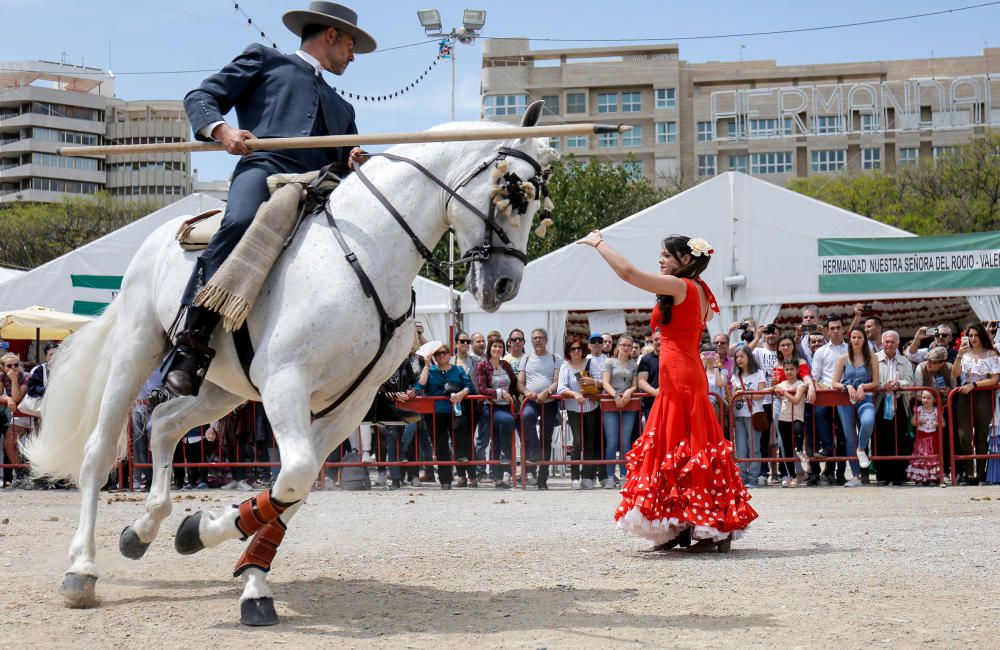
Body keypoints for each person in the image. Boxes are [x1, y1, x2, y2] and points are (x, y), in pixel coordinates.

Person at [161, 2, 377, 396]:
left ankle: (378, 374)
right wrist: (223, 131)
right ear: (330, 35)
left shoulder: (343, 106)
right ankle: (190, 346)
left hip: (319, 187)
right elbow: (201, 97)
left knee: (373, 238)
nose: (352, 56)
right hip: (265, 167)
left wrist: (354, 160)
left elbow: (345, 161)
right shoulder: (265, 60)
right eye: (350, 45)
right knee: (240, 221)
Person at [581, 231, 757, 552]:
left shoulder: (681, 286)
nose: (660, 260)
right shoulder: (699, 289)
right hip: (681, 375)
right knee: (681, 449)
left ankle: (707, 529)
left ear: (686, 260)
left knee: (686, 448)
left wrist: (599, 244)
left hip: (681, 378)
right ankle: (681, 526)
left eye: (665, 255)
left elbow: (629, 274)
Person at [416, 342, 473, 490]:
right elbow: (420, 386)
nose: (441, 356)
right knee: (440, 446)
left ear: (449, 354)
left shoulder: (459, 370)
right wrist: (426, 366)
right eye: (438, 354)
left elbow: (469, 386)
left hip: (456, 411)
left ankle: (468, 475)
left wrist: (462, 393)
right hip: (436, 413)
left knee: (461, 442)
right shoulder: (431, 370)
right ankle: (445, 480)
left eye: (444, 352)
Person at [950, 322, 1000, 485]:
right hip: (965, 394)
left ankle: (979, 473)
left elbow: (994, 379)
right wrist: (959, 355)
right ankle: (969, 473)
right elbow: (955, 374)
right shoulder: (964, 354)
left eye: (976, 335)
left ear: (982, 336)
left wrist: (975, 385)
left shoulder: (991, 353)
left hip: (983, 393)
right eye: (970, 336)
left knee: (981, 434)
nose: (973, 339)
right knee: (964, 435)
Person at [831, 326, 880, 487]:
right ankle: (856, 476)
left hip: (865, 398)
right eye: (853, 337)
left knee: (868, 421)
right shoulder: (843, 358)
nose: (856, 340)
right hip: (846, 400)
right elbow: (835, 382)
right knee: (849, 437)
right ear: (850, 339)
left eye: (859, 337)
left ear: (864, 339)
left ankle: (861, 449)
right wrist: (848, 387)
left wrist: (862, 387)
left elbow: (876, 382)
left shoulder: (872, 358)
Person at [517, 328, 562, 490]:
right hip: (531, 400)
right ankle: (534, 451)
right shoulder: (526, 358)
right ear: (531, 341)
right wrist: (527, 392)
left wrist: (547, 391)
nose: (538, 340)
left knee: (547, 438)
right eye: (535, 338)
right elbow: (520, 382)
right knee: (527, 417)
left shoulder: (555, 358)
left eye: (541, 337)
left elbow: (557, 381)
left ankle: (543, 478)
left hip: (549, 401)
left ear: (546, 340)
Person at [557, 336, 602, 490]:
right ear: (568, 351)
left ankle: (588, 476)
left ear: (583, 349)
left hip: (592, 407)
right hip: (574, 408)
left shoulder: (592, 362)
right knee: (577, 441)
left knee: (591, 442)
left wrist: (592, 383)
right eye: (572, 349)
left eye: (578, 348)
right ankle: (575, 477)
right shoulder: (565, 367)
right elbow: (561, 388)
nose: (576, 351)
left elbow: (600, 381)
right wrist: (575, 394)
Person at [475, 339, 520, 489]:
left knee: (497, 440)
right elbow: (481, 388)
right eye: (495, 346)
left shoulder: (505, 365)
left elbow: (513, 382)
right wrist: (500, 393)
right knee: (507, 421)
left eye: (500, 346)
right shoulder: (483, 365)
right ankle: (504, 453)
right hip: (490, 407)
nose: (497, 349)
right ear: (490, 348)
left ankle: (498, 478)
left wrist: (512, 394)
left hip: (507, 405)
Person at [872, 330, 914, 486]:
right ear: (882, 343)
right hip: (880, 402)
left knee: (900, 438)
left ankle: (899, 475)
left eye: (892, 342)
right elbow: (871, 380)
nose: (889, 344)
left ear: (898, 343)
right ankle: (882, 475)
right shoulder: (874, 359)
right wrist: (883, 386)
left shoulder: (905, 361)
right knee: (880, 438)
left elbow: (910, 380)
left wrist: (899, 384)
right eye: (886, 342)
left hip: (899, 401)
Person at [601, 335, 639, 487]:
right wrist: (615, 395)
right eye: (623, 345)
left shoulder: (634, 365)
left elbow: (635, 384)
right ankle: (610, 475)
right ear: (617, 347)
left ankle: (625, 474)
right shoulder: (609, 362)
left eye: (629, 346)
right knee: (612, 441)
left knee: (625, 441)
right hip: (611, 402)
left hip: (629, 403)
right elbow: (605, 382)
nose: (626, 348)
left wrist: (629, 392)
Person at [730, 347, 766, 486]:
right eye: (737, 357)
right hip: (739, 414)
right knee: (741, 448)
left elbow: (761, 394)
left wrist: (745, 394)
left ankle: (753, 478)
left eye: (742, 356)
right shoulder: (735, 376)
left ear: (749, 357)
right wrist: (736, 395)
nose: (739, 359)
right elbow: (734, 396)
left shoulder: (759, 374)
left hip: (754, 414)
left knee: (754, 447)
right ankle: (742, 478)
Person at [772, 359, 808, 486]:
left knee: (798, 432)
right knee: (786, 449)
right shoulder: (782, 383)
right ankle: (792, 476)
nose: (789, 372)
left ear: (797, 370)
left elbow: (796, 399)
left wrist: (783, 392)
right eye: (786, 369)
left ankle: (800, 450)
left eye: (792, 369)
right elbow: (772, 388)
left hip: (797, 417)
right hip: (784, 417)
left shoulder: (801, 384)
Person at [2, 353, 30, 489]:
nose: (13, 368)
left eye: (16, 365)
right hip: (19, 415)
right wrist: (7, 399)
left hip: (32, 415)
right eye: (9, 365)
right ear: (2, 367)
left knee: (30, 447)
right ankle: (21, 475)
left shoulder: (27, 376)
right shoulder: (2, 376)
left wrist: (13, 380)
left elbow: (17, 397)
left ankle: (36, 476)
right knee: (9, 443)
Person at [906, 390, 943, 485]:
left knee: (932, 458)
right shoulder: (919, 409)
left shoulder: (936, 410)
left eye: (928, 398)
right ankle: (920, 478)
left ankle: (932, 478)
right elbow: (912, 422)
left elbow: (943, 423)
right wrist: (918, 422)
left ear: (934, 400)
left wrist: (937, 423)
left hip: (932, 437)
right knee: (921, 457)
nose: (925, 400)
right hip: (921, 437)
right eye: (923, 398)